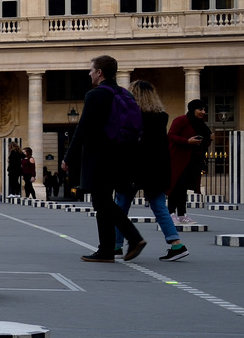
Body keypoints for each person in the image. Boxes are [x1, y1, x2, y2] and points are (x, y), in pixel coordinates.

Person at [62, 54, 146, 263]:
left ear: (99, 72)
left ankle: (132, 238)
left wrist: (68, 157)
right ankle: (107, 250)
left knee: (102, 202)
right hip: (121, 155)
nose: (89, 73)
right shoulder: (124, 93)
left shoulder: (96, 95)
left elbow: (82, 129)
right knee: (104, 202)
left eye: (91, 70)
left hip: (100, 156)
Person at [114, 80, 186, 262]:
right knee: (160, 207)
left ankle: (116, 245)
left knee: (121, 206)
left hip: (133, 167)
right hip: (157, 168)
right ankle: (176, 244)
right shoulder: (161, 117)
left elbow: (127, 144)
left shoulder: (131, 116)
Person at [167, 99, 211, 223]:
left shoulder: (200, 124)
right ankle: (170, 213)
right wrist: (187, 141)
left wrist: (209, 139)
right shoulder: (181, 120)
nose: (203, 112)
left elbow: (203, 143)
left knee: (184, 187)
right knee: (176, 186)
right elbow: (171, 135)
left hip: (192, 160)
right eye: (200, 109)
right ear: (193, 109)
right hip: (178, 160)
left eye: (204, 109)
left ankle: (181, 214)